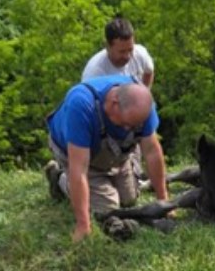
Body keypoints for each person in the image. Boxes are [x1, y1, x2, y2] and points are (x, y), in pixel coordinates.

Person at [45, 75, 170, 241]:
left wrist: (164, 204)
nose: (128, 129)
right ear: (113, 103)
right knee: (107, 209)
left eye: (134, 126)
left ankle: (112, 178)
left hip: (117, 152)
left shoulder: (142, 105)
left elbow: (152, 152)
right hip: (77, 153)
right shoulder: (81, 106)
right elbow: (79, 169)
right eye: (126, 124)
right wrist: (83, 225)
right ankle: (59, 179)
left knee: (129, 200)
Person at [82, 16, 155, 87]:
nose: (127, 56)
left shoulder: (140, 54)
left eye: (130, 50)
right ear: (107, 46)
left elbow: (149, 71)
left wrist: (145, 91)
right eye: (122, 52)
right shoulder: (94, 73)